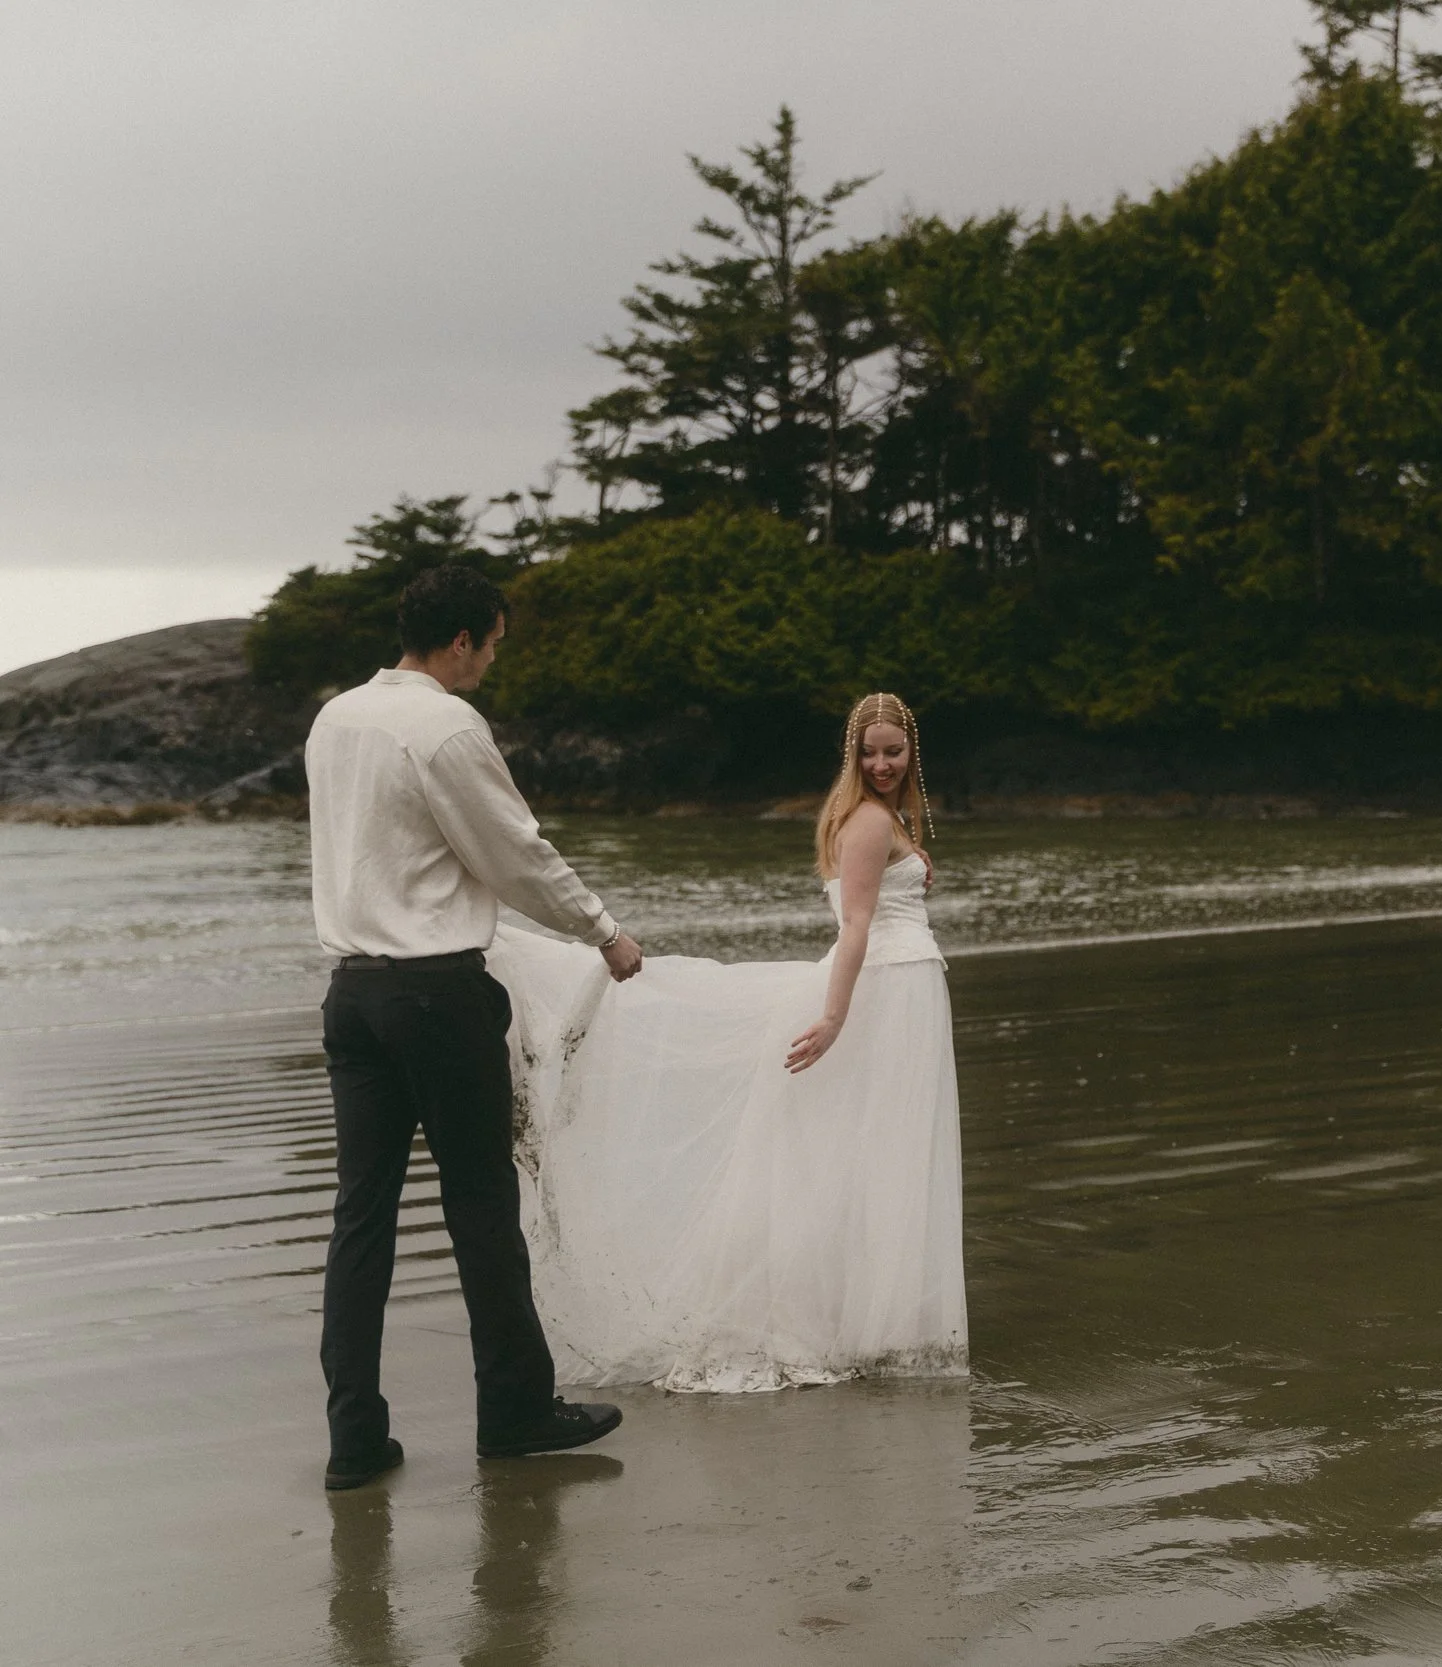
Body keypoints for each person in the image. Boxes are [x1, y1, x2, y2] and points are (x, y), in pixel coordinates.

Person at [488, 691, 967, 1393]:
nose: (882, 762)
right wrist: (834, 1018)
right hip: (884, 991)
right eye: (869, 751)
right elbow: (858, 926)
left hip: (899, 986)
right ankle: (851, 1320)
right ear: (851, 754)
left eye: (893, 750)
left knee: (869, 1153)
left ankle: (869, 1317)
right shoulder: (867, 821)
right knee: (868, 1151)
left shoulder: (878, 814)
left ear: (912, 750)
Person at [308, 565, 641, 1491]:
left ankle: (354, 1440)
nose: (493, 658)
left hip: (353, 998)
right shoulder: (448, 725)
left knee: (360, 1218)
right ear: (460, 639)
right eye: (492, 641)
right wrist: (603, 930)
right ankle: (515, 1413)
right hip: (436, 998)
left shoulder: (336, 718)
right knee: (481, 1206)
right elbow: (514, 851)